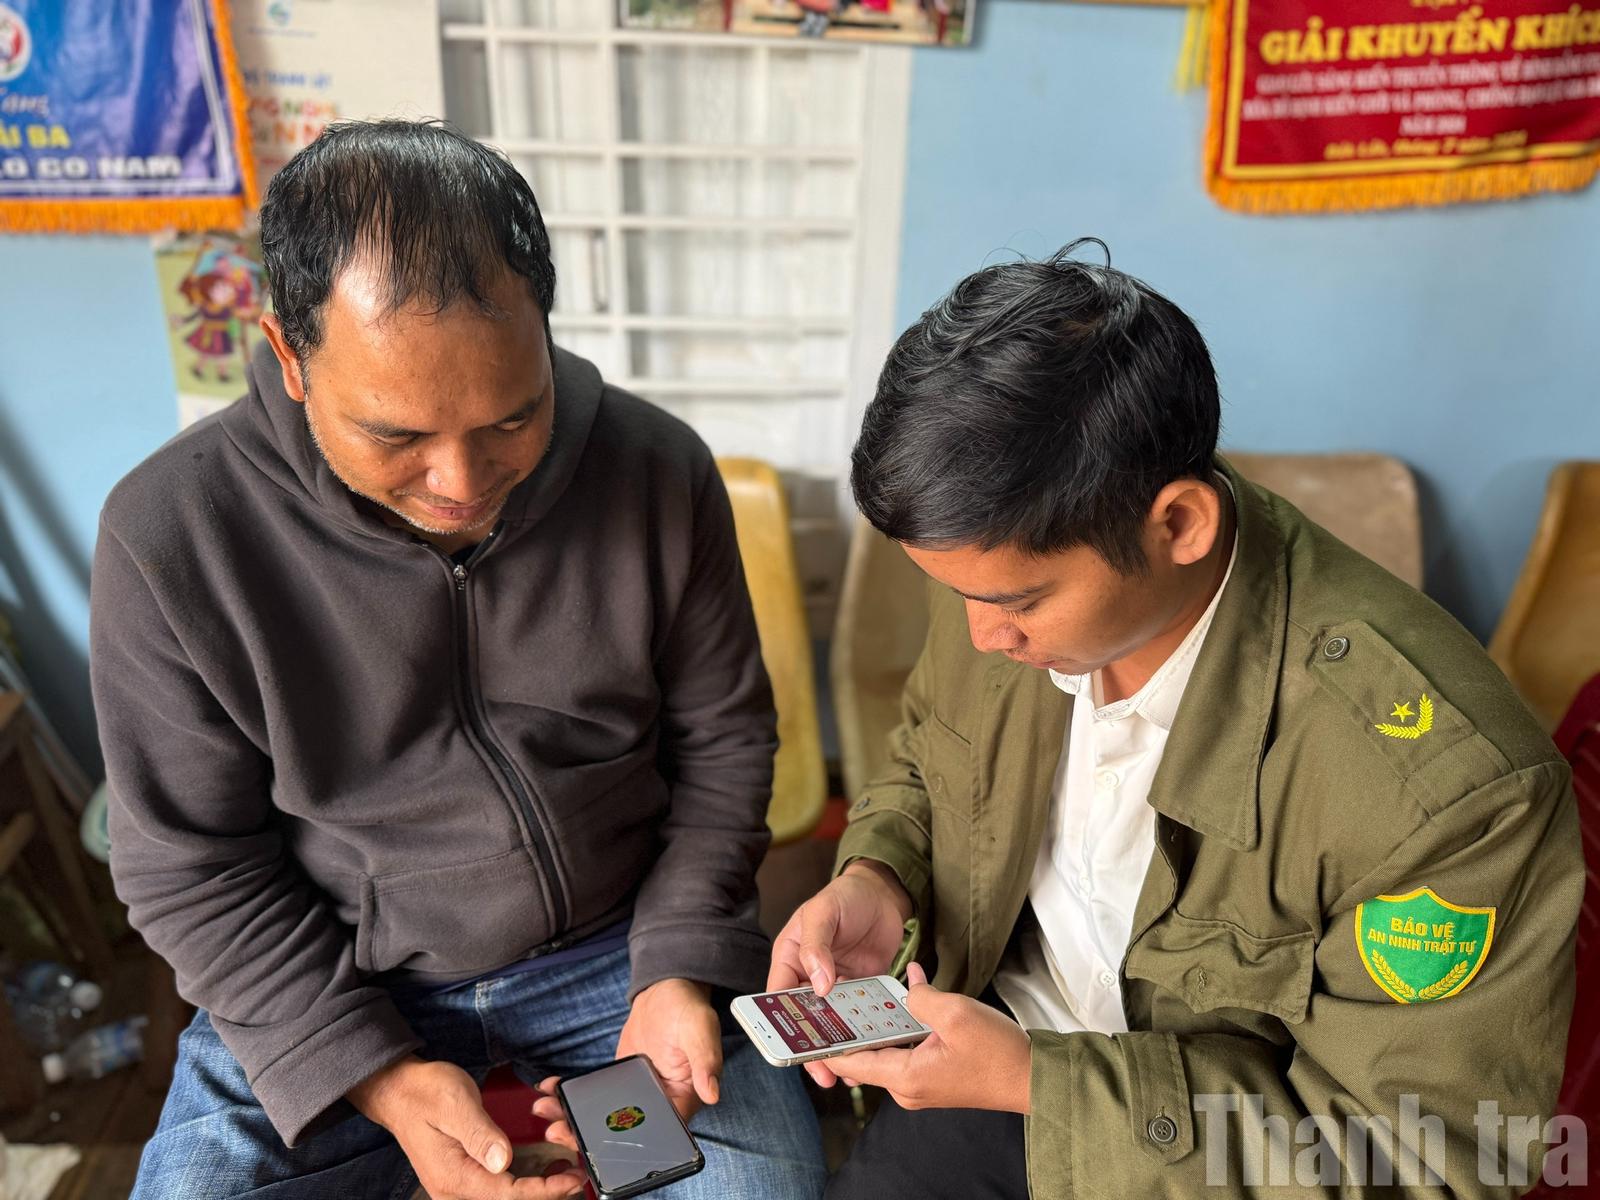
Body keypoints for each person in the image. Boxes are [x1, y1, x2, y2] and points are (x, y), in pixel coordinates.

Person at [92, 119, 825, 1200]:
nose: (463, 483)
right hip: (341, 979)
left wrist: (678, 963)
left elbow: (722, 741)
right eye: (396, 437)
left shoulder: (655, 470)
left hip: (619, 956)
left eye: (512, 420)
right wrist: (379, 1078)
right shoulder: (171, 535)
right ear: (290, 357)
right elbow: (188, 864)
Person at [771, 242, 1583, 1198]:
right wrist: (880, 874)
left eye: (1019, 603)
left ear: (1181, 525)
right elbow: (928, 756)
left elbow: (1422, 1158)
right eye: (960, 596)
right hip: (990, 1060)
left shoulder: (1446, 794)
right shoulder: (999, 574)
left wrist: (1042, 1084)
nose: (983, 636)